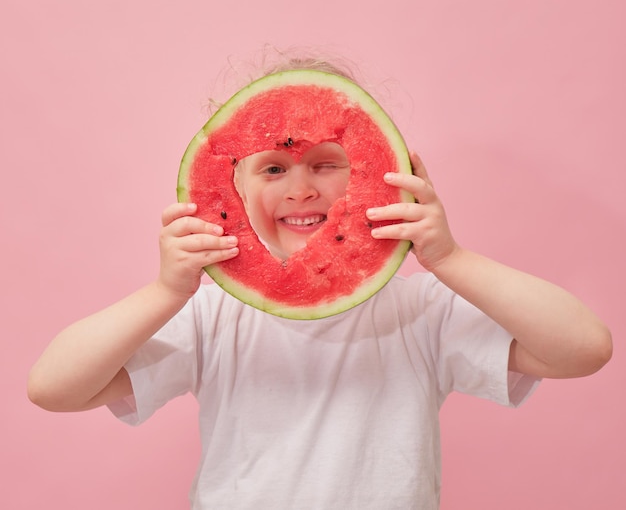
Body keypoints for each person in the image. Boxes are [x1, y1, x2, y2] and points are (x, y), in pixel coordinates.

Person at [28, 55, 612, 509]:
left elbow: (584, 348)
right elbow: (54, 388)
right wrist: (163, 294)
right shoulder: (209, 318)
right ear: (230, 189)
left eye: (328, 163)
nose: (301, 188)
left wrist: (451, 259)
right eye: (274, 167)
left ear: (383, 179)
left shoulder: (424, 311)